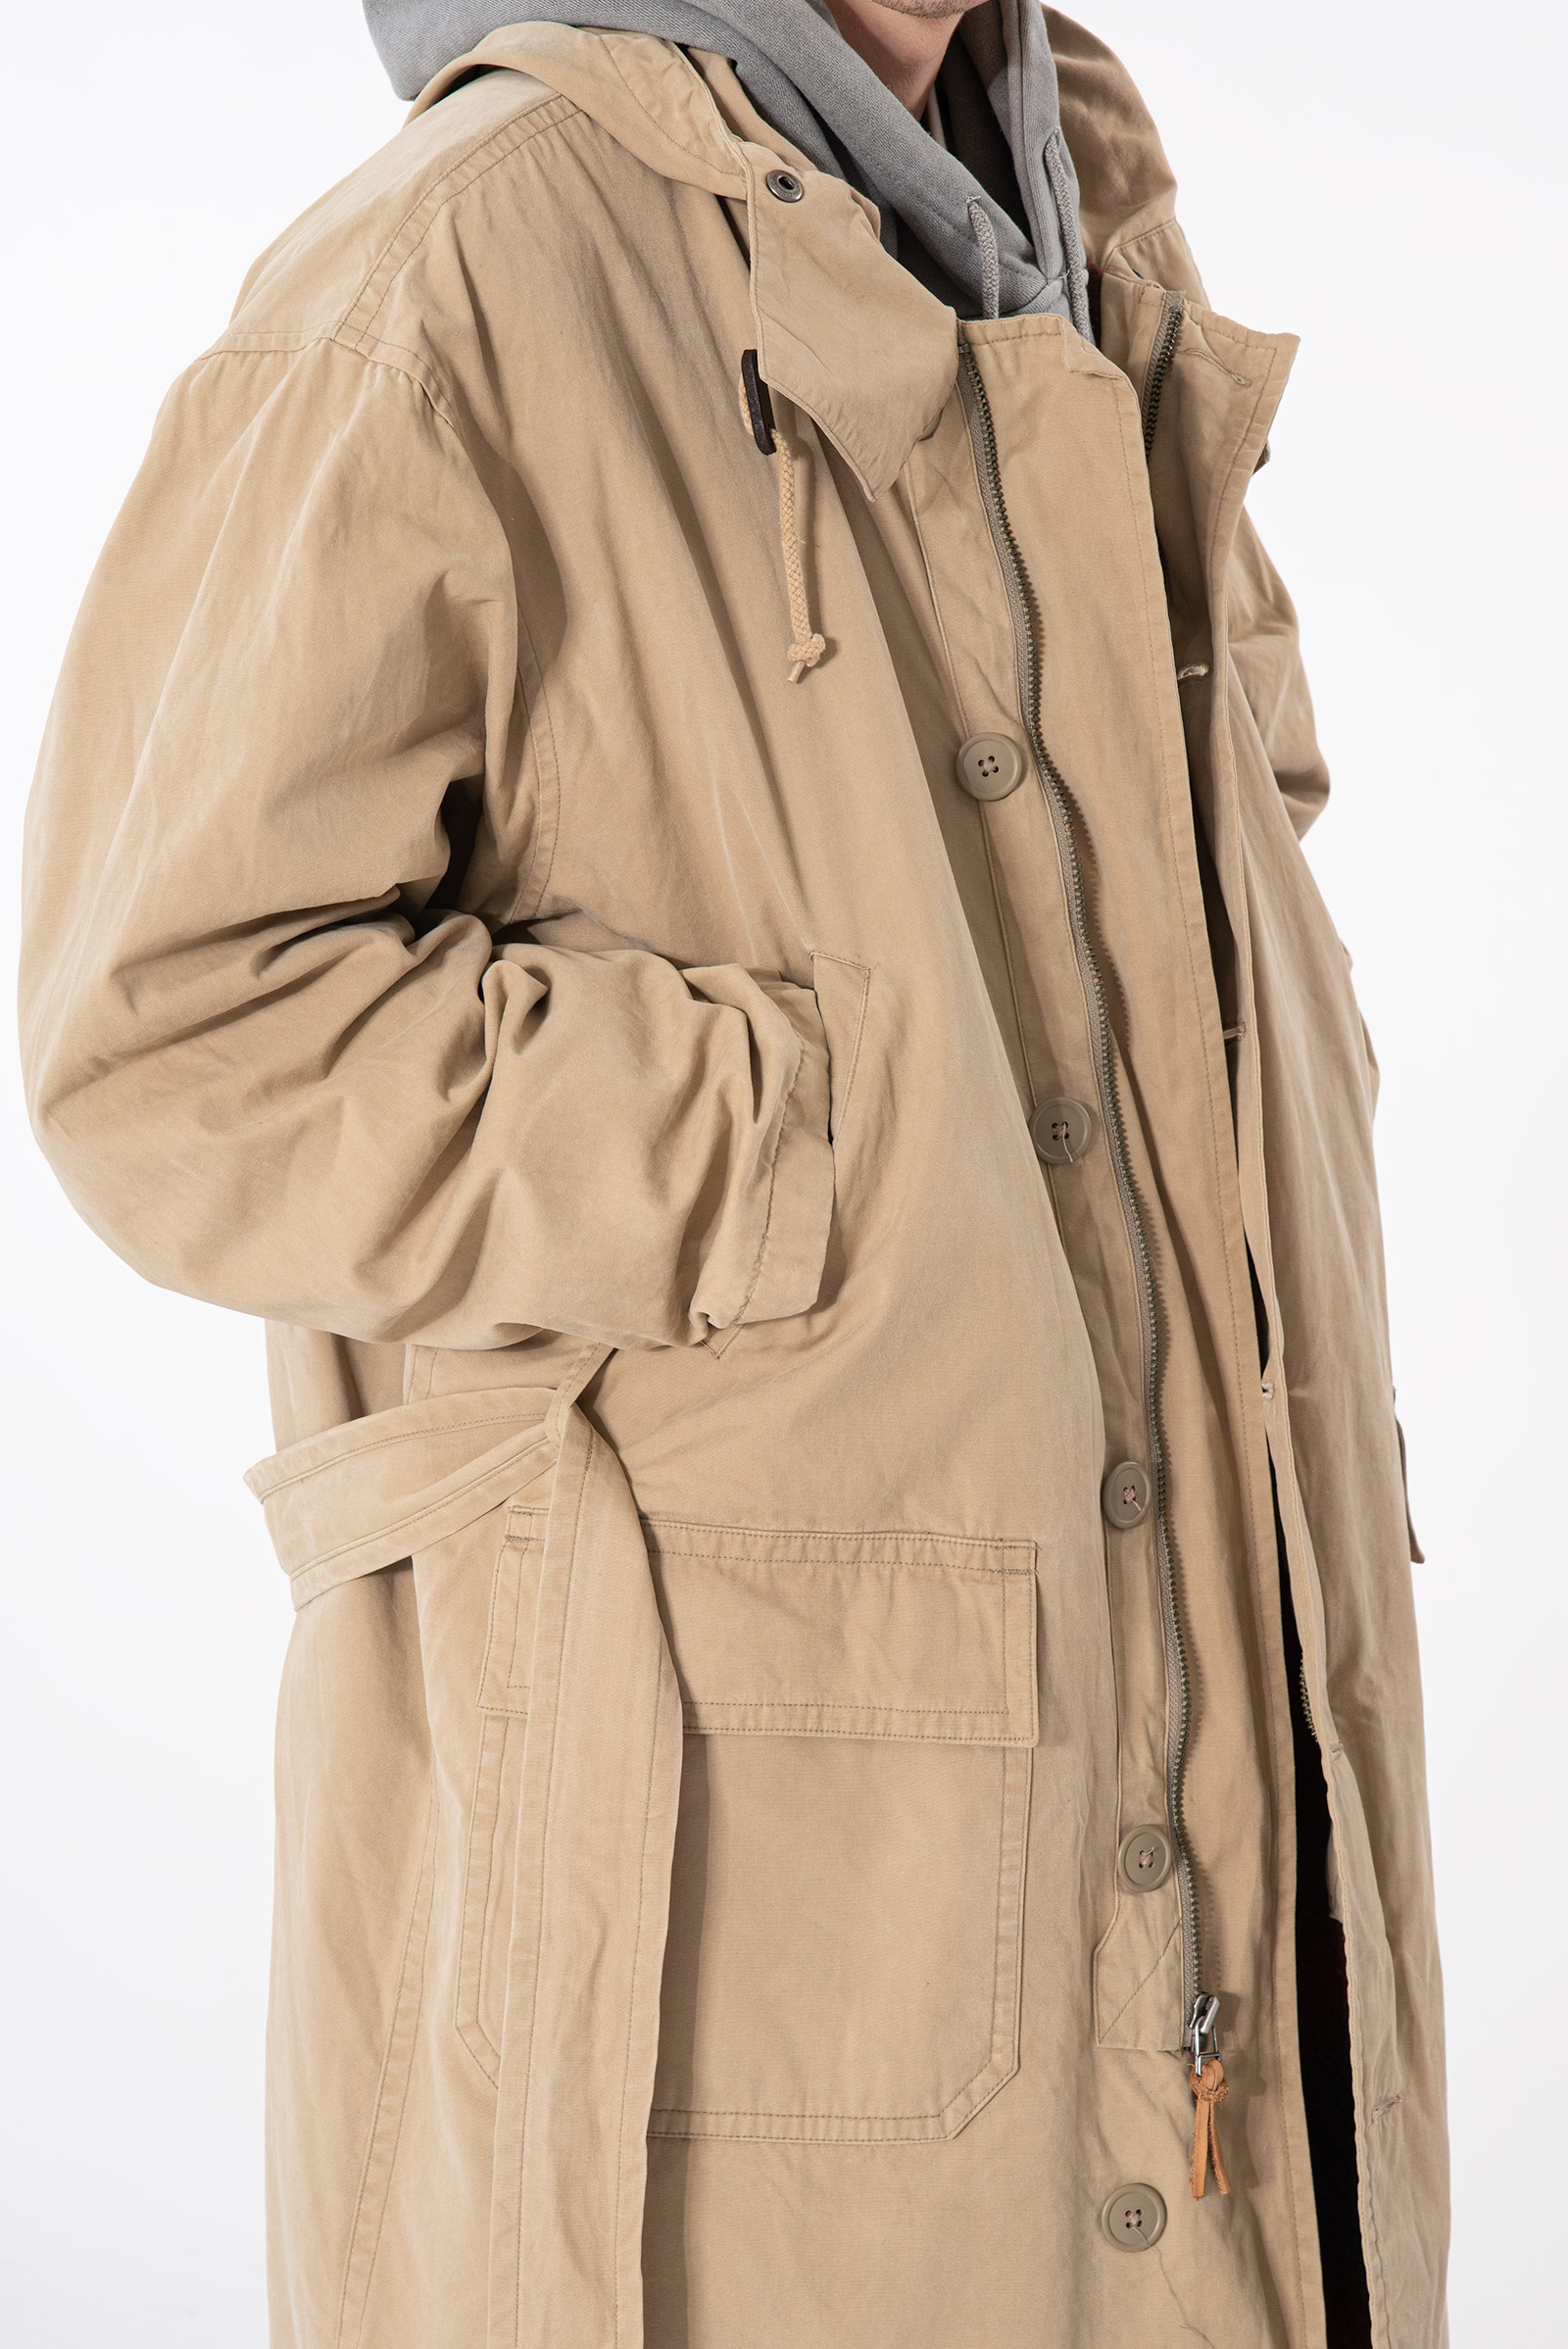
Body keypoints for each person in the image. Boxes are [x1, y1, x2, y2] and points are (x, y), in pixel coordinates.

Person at [18, 3, 1448, 2343]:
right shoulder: (452, 276)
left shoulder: (1071, 205)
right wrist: (781, 1134)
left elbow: (1232, 831)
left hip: (1220, 1815)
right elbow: (169, 1035)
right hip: (763, 1952)